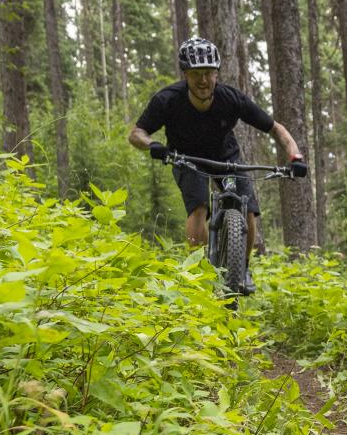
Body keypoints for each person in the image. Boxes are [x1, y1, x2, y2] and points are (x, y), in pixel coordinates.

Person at [128, 37, 302, 292]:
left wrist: (295, 158)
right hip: (187, 158)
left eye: (209, 73)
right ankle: (197, 274)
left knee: (248, 208)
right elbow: (136, 133)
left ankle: (242, 268)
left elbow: (276, 129)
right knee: (199, 207)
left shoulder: (231, 98)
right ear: (185, 75)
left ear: (217, 73)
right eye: (196, 74)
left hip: (226, 157)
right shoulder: (168, 100)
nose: (203, 80)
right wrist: (153, 146)